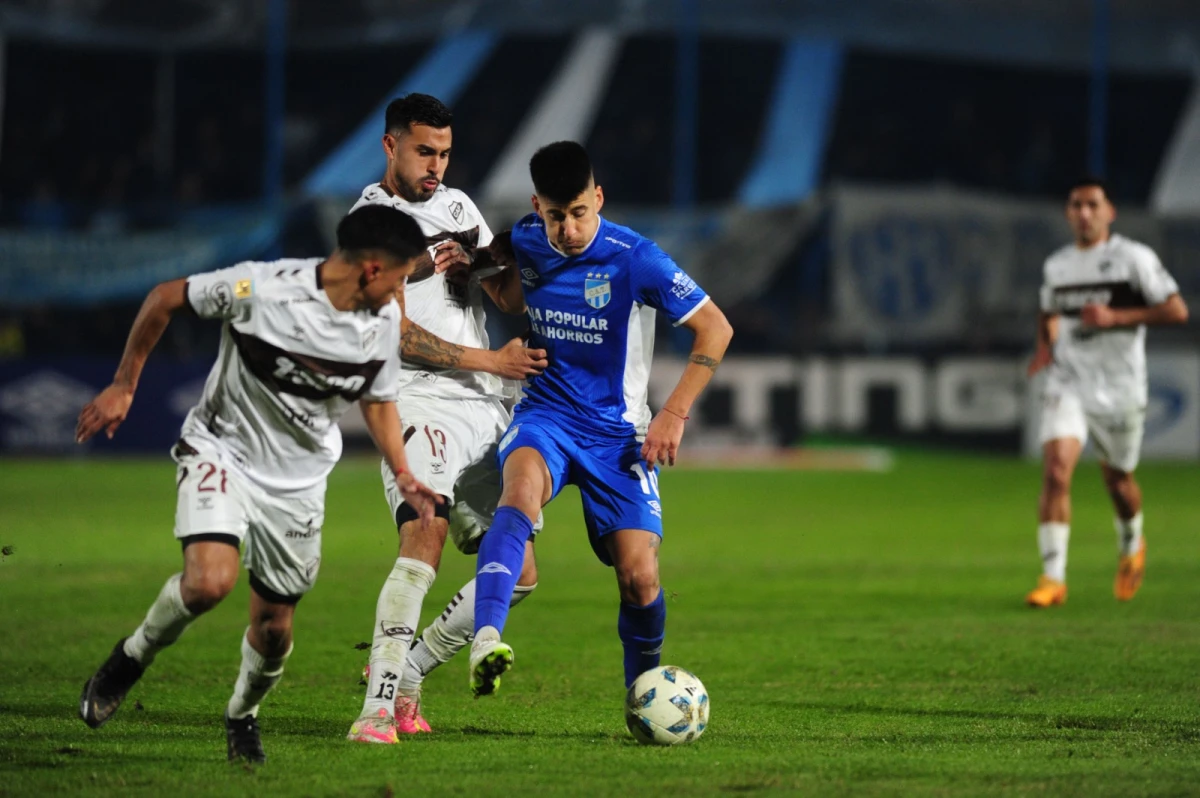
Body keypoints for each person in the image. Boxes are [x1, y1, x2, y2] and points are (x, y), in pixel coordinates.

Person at [75, 205, 441, 763]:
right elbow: (165, 297)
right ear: (370, 269)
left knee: (273, 631)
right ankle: (131, 657)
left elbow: (378, 399)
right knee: (208, 583)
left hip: (298, 484)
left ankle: (241, 715)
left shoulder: (382, 323)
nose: (399, 294)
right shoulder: (262, 289)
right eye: (398, 279)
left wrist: (404, 469)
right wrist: (124, 384)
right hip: (221, 449)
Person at [463, 141, 733, 696]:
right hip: (547, 415)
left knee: (639, 578)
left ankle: (642, 694)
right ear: (538, 207)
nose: (568, 229)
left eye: (580, 212)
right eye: (556, 216)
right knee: (518, 496)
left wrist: (674, 412)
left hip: (619, 434)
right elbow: (513, 297)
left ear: (599, 198)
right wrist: (480, 268)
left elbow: (716, 328)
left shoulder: (635, 257)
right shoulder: (526, 238)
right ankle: (487, 638)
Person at [346, 94, 546, 742]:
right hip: (417, 396)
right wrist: (492, 356)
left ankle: (414, 670)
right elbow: (399, 335)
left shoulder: (458, 206)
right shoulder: (371, 222)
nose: (436, 165)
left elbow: (505, 293)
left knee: (516, 571)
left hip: (485, 404)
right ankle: (376, 708)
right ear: (390, 145)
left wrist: (501, 258)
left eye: (445, 153)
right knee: (425, 527)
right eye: (424, 151)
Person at [1026, 176, 1188, 608]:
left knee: (1119, 483)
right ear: (1067, 213)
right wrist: (1045, 346)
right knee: (1056, 470)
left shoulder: (1132, 258)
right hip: (1069, 381)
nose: (1084, 213)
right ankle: (1053, 577)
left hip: (1119, 388)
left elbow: (1177, 309)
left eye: (1092, 205)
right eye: (1076, 205)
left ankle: (1132, 542)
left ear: (1109, 212)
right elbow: (1048, 311)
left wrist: (1116, 318)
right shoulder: (1057, 265)